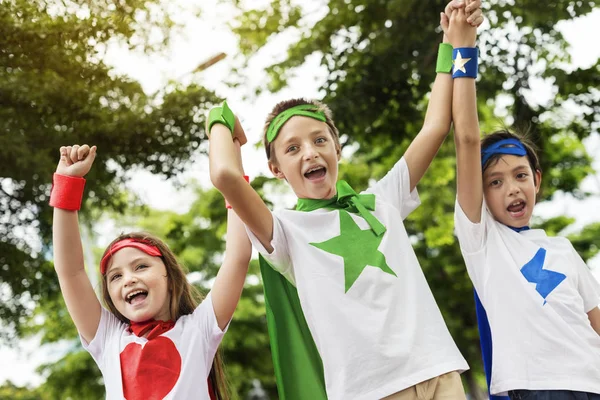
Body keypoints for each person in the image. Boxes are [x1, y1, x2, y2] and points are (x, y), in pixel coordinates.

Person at [208, 2, 484, 398]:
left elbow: (437, 126)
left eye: (321, 140)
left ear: (337, 148)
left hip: (438, 369)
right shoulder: (284, 232)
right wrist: (220, 120)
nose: (311, 153)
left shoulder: (382, 199)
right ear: (276, 168)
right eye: (292, 148)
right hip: (370, 391)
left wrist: (456, 44)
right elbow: (225, 176)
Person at [451, 4, 600, 399]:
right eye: (494, 182)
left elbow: (595, 319)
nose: (512, 189)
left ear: (536, 181)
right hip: (535, 389)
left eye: (520, 176)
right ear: (480, 196)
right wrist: (462, 50)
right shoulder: (482, 242)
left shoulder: (564, 250)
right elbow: (466, 139)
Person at [50, 142, 252, 399]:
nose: (129, 280)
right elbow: (71, 271)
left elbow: (237, 256)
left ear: (170, 277)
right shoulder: (108, 339)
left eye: (141, 266)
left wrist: (231, 170)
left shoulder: (199, 330)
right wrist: (67, 182)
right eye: (116, 276)